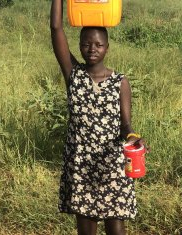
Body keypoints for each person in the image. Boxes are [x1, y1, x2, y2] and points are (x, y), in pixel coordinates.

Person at [50, 0, 148, 234]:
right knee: (86, 230)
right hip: (81, 165)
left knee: (116, 229)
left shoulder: (120, 82)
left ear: (107, 47)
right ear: (79, 46)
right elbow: (56, 29)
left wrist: (134, 138)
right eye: (86, 44)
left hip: (112, 166)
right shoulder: (74, 74)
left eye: (98, 44)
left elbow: (125, 124)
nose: (92, 49)